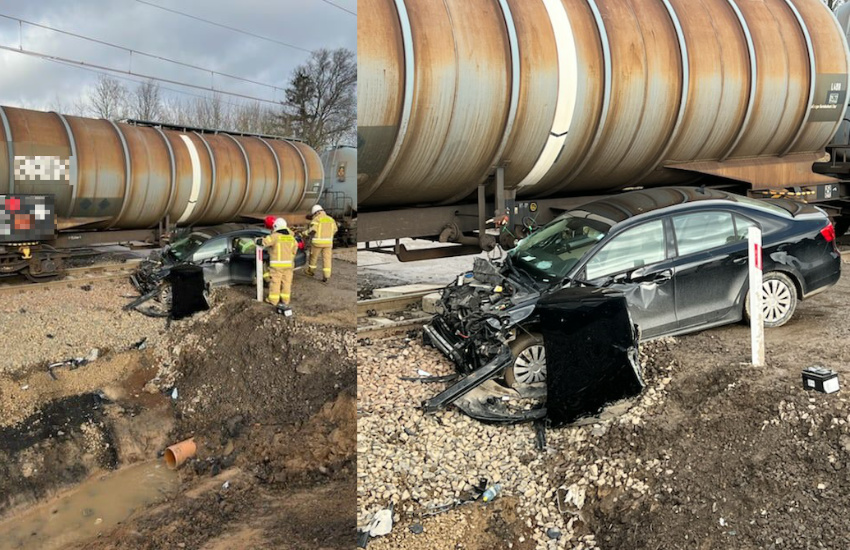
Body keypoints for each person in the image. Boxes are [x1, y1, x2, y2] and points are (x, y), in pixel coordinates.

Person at [261, 217, 297, 307]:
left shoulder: (275, 236)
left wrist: (257, 240)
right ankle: (285, 300)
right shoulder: (291, 238)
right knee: (287, 283)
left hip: (277, 266)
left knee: (275, 283)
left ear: (276, 226)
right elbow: (294, 250)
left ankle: (273, 300)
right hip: (289, 265)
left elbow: (264, 242)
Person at [304, 204, 338, 282]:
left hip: (317, 243)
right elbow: (335, 229)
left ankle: (310, 272)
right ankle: (326, 275)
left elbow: (312, 231)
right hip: (328, 243)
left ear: (316, 213)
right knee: (327, 259)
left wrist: (304, 233)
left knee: (313, 258)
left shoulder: (316, 219)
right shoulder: (331, 219)